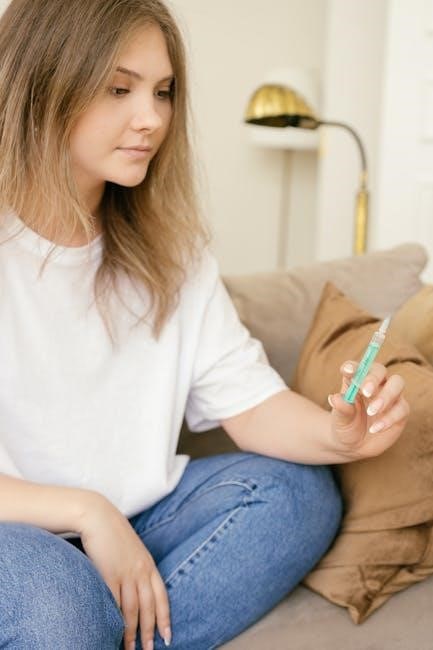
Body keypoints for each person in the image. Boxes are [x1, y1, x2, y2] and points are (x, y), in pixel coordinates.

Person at [0, 1, 409, 649]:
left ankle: (98, 626)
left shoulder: (174, 253)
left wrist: (339, 434)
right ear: (43, 83)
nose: (152, 118)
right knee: (58, 597)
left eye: (162, 92)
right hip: (16, 535)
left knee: (296, 493)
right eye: (119, 89)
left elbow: (250, 404)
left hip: (148, 520)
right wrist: (87, 511)